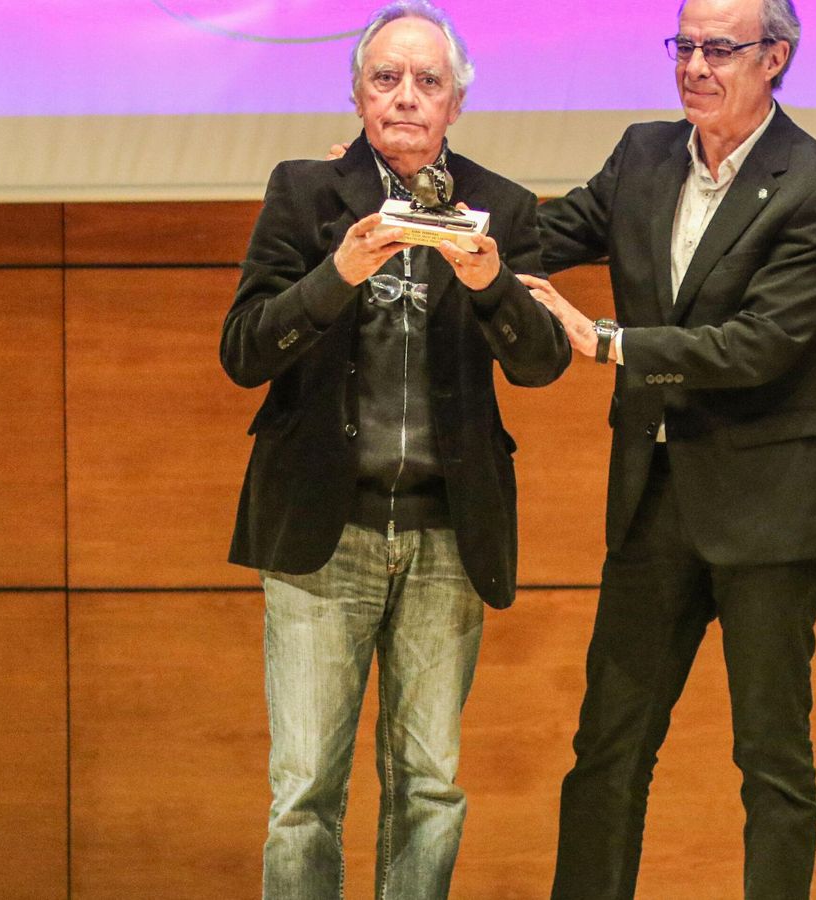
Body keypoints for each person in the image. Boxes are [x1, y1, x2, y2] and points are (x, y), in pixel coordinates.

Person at [218, 1, 570, 896]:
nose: (406, 98)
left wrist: (494, 285)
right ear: (357, 96)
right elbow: (244, 352)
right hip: (321, 533)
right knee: (303, 793)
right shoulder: (306, 194)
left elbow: (540, 365)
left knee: (430, 788)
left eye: (427, 82)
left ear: (456, 103)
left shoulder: (506, 209)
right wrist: (335, 274)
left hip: (448, 533)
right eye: (386, 79)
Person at [518, 0, 816, 897]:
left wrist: (614, 343)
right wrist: (413, 194)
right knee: (607, 751)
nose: (696, 66)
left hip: (766, 512)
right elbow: (536, 238)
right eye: (685, 45)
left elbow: (761, 346)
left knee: (772, 763)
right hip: (652, 498)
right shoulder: (642, 155)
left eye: (721, 48)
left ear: (776, 58)